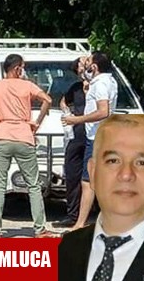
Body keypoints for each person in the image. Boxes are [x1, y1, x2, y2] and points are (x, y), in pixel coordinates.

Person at [57, 114, 144, 281]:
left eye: (142, 163)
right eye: (113, 161)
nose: (126, 174)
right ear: (93, 173)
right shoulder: (65, 250)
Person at [0, 54, 55, 238]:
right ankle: (40, 229)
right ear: (17, 68)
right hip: (24, 135)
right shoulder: (27, 85)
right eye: (22, 67)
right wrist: (36, 123)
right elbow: (47, 100)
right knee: (33, 185)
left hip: (1, 135)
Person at [64, 51, 119, 232]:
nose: (84, 64)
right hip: (101, 136)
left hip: (97, 138)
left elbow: (103, 111)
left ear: (94, 66)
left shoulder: (100, 84)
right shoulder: (107, 81)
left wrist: (77, 120)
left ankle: (80, 224)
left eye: (87, 61)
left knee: (88, 181)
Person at [56, 58, 89, 228]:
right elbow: (63, 101)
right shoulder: (76, 88)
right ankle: (72, 214)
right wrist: (67, 112)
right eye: (82, 64)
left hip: (93, 135)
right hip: (77, 134)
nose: (86, 66)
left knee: (91, 177)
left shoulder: (99, 85)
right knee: (72, 173)